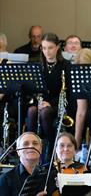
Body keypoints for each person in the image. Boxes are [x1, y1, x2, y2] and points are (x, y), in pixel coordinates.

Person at [25, 33, 71, 163]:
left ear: (57, 47)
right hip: (40, 102)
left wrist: (50, 104)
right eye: (44, 48)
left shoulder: (65, 65)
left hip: (58, 104)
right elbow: (32, 88)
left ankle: (49, 148)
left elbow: (67, 92)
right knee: (31, 111)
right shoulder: (37, 64)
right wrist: (38, 102)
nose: (47, 51)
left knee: (45, 113)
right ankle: (31, 147)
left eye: (50, 48)